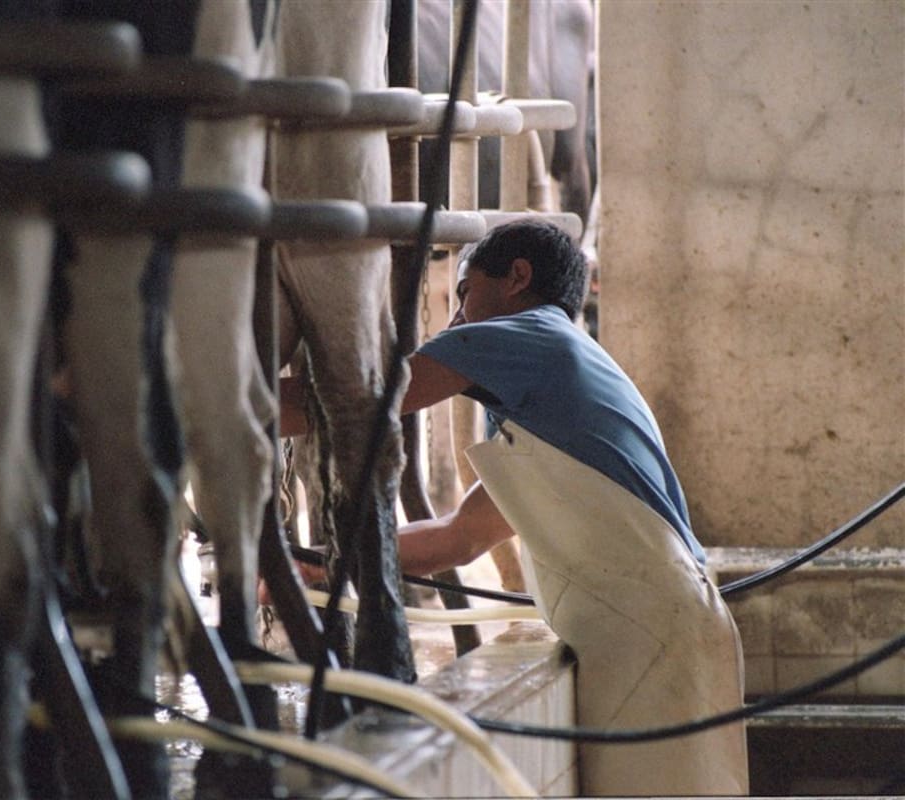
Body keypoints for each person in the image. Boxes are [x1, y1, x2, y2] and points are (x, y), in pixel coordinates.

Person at [278, 218, 748, 797]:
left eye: (466, 293)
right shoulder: (559, 393)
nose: (454, 321)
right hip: (670, 624)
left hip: (646, 633)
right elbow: (458, 538)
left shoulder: (531, 335)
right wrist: (320, 564)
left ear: (517, 278)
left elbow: (364, 403)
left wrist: (212, 409)